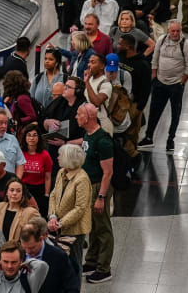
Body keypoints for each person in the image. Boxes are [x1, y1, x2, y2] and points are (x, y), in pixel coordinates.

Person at [139, 20, 188, 151]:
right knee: (154, 111)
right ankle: (148, 137)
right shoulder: (162, 40)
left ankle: (170, 140)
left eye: (178, 31)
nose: (175, 33)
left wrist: (181, 83)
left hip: (176, 85)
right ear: (168, 31)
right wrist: (154, 78)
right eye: (173, 31)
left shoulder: (185, 45)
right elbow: (155, 59)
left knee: (175, 114)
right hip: (159, 83)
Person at [76, 102, 114, 284]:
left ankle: (104, 268)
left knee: (103, 227)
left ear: (88, 117)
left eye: (79, 114)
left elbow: (108, 172)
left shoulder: (103, 141)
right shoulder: (88, 134)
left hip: (99, 187)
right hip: (89, 185)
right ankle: (92, 261)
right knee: (92, 225)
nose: (76, 117)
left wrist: (101, 197)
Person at [46, 141, 91, 268]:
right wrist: (53, 216)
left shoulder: (82, 179)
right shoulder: (61, 172)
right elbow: (54, 194)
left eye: (60, 155)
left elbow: (80, 208)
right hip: (58, 224)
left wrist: (60, 223)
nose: (57, 157)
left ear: (68, 158)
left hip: (74, 229)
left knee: (74, 263)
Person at [19, 218, 79, 293]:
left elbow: (71, 286)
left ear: (41, 239)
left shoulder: (58, 256)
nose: (27, 252)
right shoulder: (18, 253)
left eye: (32, 248)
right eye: (24, 248)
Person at [19, 125, 53, 216]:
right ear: (25, 137)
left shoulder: (45, 155)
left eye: (35, 135)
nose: (32, 138)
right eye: (29, 135)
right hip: (24, 189)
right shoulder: (20, 153)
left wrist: (46, 194)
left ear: (39, 137)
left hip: (39, 190)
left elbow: (48, 177)